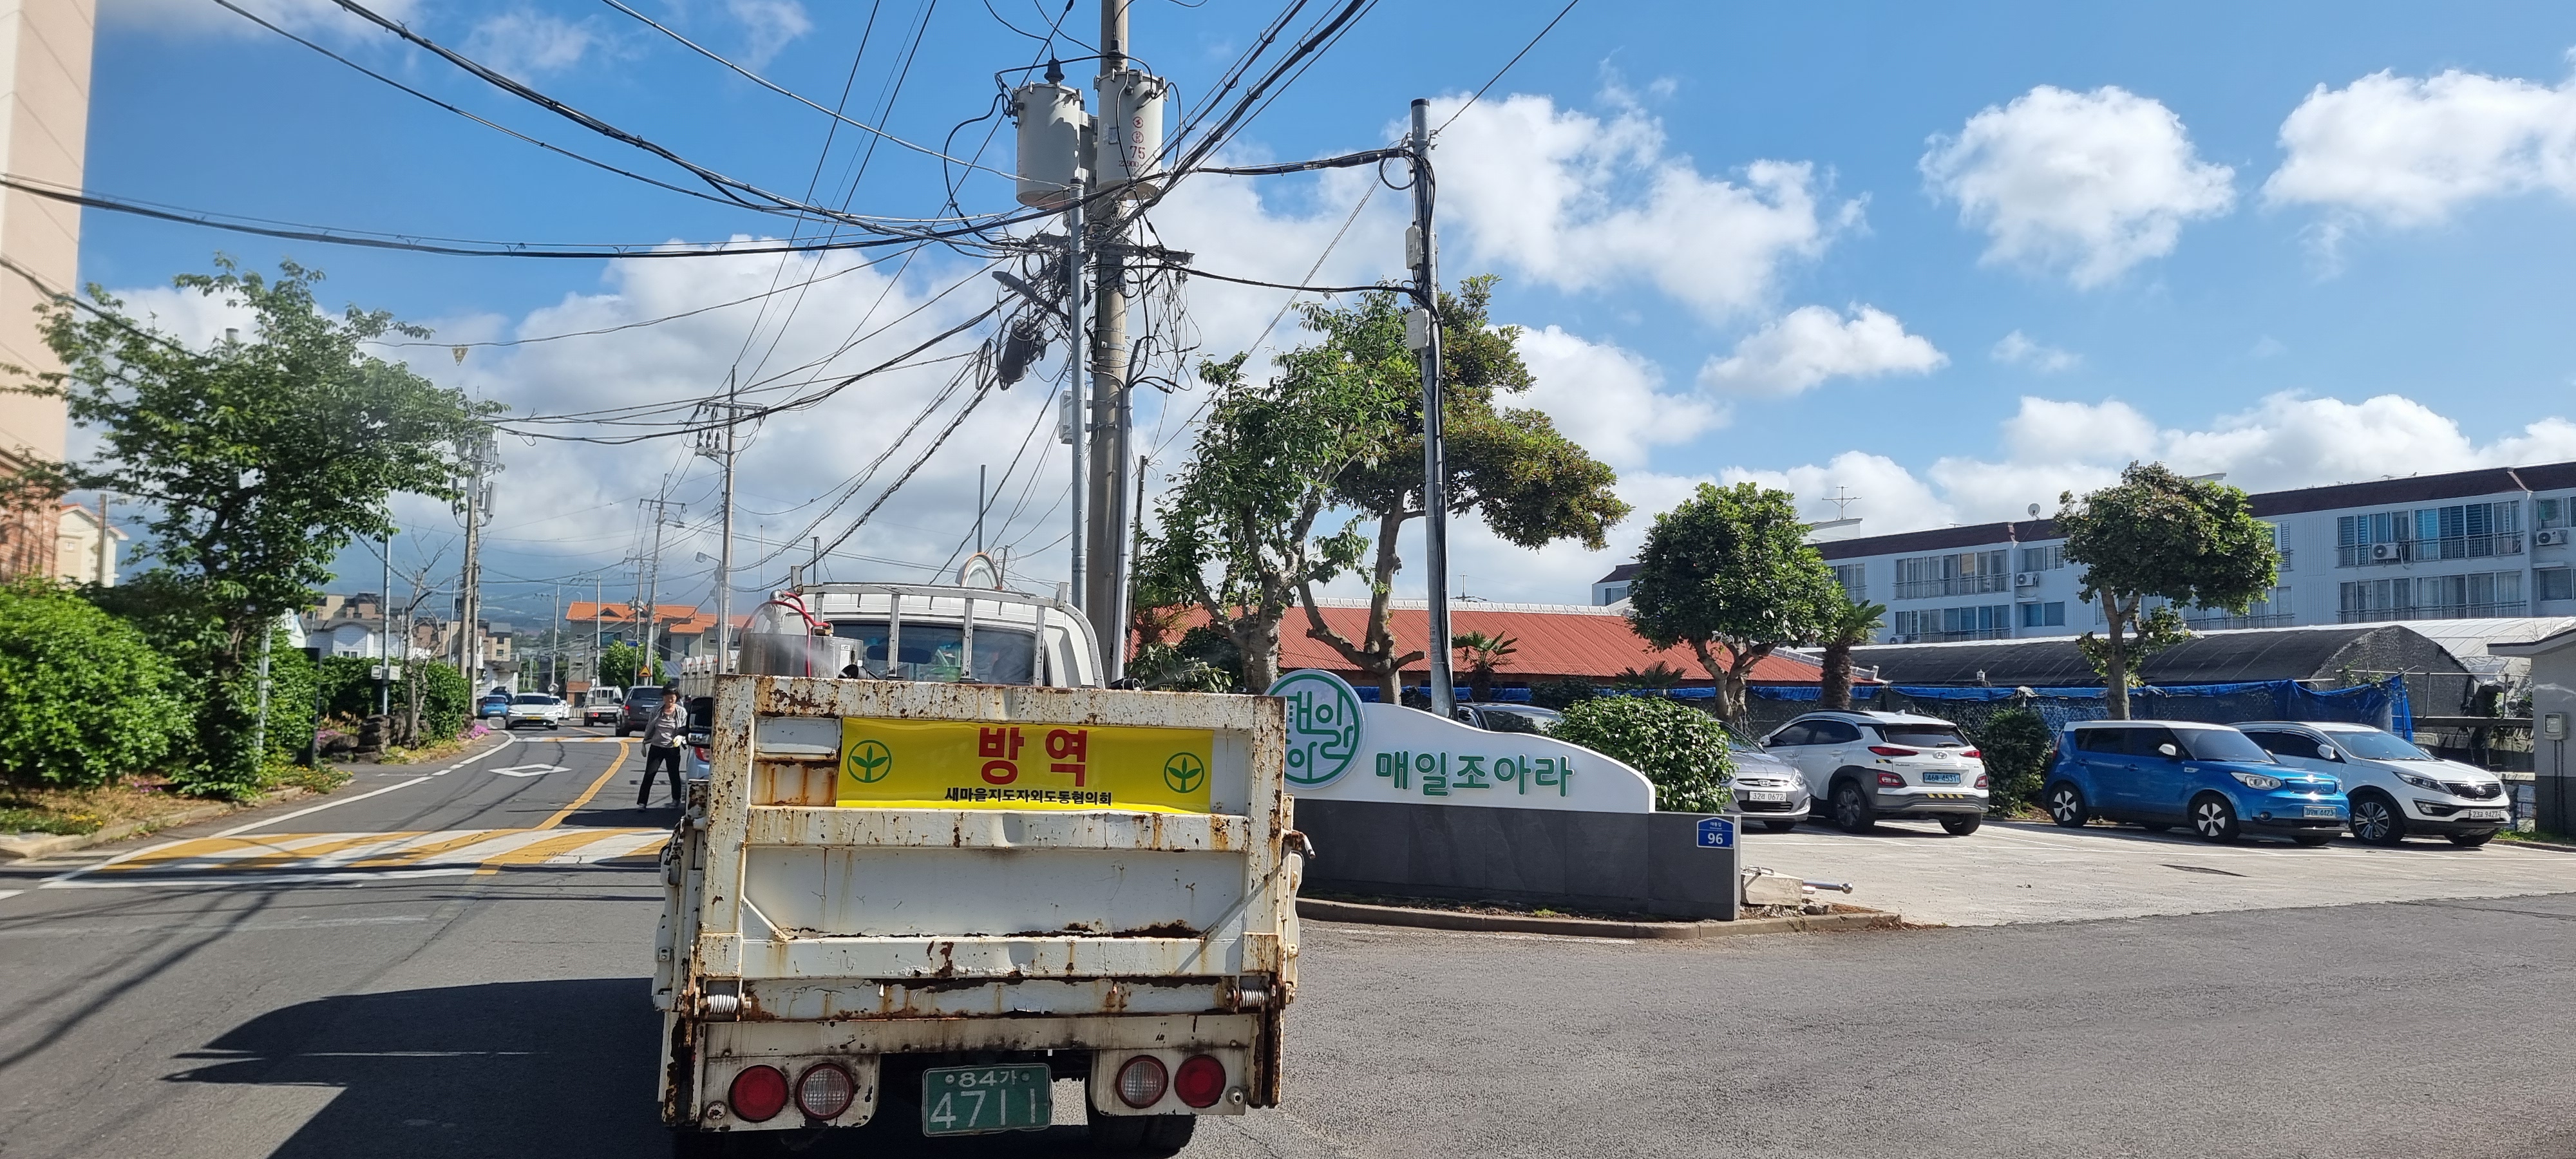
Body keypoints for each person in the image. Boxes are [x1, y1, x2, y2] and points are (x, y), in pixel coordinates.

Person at [639, 687, 687, 807]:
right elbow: (650, 726)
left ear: (676, 697)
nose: (670, 699)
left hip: (672, 748)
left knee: (674, 774)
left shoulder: (681, 712)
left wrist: (681, 737)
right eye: (667, 696)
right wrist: (645, 742)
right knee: (649, 774)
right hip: (656, 747)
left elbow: (685, 728)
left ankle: (676, 800)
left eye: (673, 697)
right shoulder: (656, 711)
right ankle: (642, 803)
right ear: (663, 697)